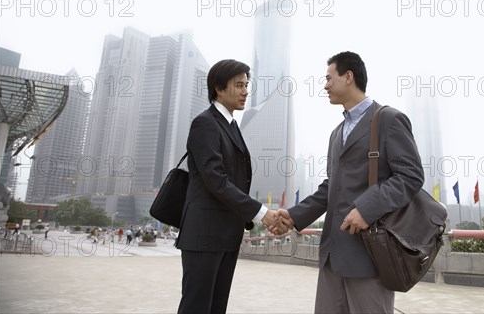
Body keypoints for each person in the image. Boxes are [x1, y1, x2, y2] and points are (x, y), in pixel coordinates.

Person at [276, 51, 425, 314]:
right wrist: (294, 215)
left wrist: (366, 209)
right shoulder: (336, 133)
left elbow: (410, 176)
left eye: (329, 78)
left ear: (348, 77)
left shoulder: (388, 119)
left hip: (369, 254)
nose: (325, 85)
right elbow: (331, 187)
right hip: (333, 253)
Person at [175, 59, 286, 314]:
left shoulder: (231, 125)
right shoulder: (205, 123)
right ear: (218, 88)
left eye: (247, 85)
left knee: (217, 307)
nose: (246, 91)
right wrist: (262, 213)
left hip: (227, 234)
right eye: (238, 85)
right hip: (204, 234)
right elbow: (216, 180)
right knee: (197, 306)